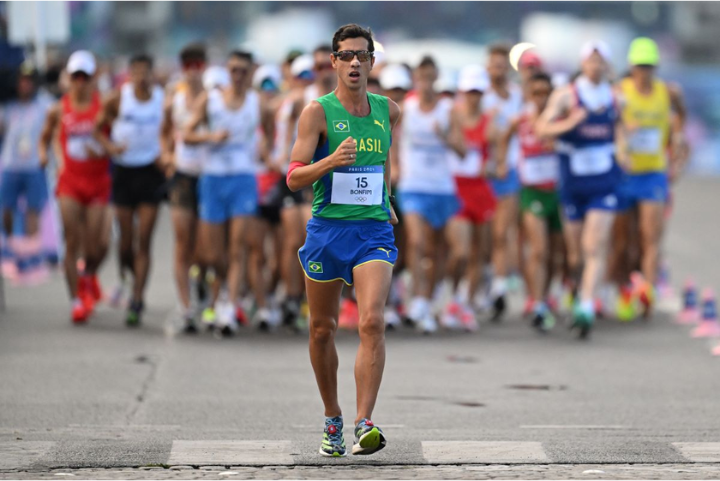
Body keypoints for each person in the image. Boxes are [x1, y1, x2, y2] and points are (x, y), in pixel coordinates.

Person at [286, 24, 400, 457]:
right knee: (322, 329)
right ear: (333, 61)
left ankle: (364, 422)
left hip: (372, 231)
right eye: (347, 55)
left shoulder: (389, 111)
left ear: (372, 61)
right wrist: (330, 160)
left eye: (362, 55)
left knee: (372, 321)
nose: (355, 62)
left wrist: (386, 197)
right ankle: (332, 417)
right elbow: (294, 177)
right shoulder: (317, 113)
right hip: (327, 230)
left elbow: (386, 159)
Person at [536, 41, 624, 338]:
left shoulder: (615, 98)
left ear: (607, 66)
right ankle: (576, 292)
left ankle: (587, 306)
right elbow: (541, 128)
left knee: (594, 246)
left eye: (601, 61)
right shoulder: (566, 96)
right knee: (575, 256)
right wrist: (570, 123)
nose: (596, 66)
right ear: (583, 63)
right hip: (572, 185)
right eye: (591, 60)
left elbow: (622, 131)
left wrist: (623, 149)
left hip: (604, 183)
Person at [184, 50, 269, 335]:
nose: (238, 75)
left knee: (238, 248)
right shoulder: (211, 101)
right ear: (227, 70)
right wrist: (210, 137)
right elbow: (186, 134)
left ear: (250, 74)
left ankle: (229, 306)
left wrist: (266, 152)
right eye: (233, 70)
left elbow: (268, 133)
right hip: (213, 179)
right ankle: (219, 293)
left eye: (244, 71)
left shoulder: (258, 104)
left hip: (243, 179)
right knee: (212, 254)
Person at [613, 37, 688, 318]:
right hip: (624, 175)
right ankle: (623, 289)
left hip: (653, 174)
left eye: (649, 66)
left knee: (650, 237)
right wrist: (621, 134)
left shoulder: (668, 92)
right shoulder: (620, 92)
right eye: (640, 66)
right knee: (622, 243)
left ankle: (646, 290)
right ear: (632, 67)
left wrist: (677, 137)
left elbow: (680, 115)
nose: (645, 71)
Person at [39, 51, 111, 323]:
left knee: (97, 246)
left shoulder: (104, 107)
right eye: (75, 76)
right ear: (68, 78)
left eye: (85, 76)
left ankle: (89, 274)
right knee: (72, 242)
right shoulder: (57, 109)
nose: (80, 81)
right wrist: (45, 155)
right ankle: (76, 301)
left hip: (98, 181)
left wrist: (108, 149)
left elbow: (115, 136)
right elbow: (45, 138)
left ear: (93, 79)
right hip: (69, 181)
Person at [94, 54, 166, 326]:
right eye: (135, 72)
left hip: (150, 172)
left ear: (151, 73)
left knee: (144, 240)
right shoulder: (118, 98)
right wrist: (111, 148)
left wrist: (165, 152)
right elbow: (97, 128)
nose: (140, 77)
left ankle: (137, 299)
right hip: (124, 171)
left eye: (145, 72)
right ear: (129, 74)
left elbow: (171, 129)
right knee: (125, 243)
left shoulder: (161, 99)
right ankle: (126, 275)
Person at [397, 55, 466, 334]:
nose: (425, 83)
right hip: (413, 187)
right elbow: (391, 141)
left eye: (430, 77)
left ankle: (433, 294)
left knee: (456, 252)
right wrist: (396, 167)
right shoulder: (405, 109)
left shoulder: (449, 110)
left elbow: (463, 150)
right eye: (421, 78)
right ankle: (419, 300)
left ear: (436, 79)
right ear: (415, 79)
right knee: (417, 243)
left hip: (443, 189)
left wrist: (445, 138)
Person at [500, 72, 563, 332]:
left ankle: (545, 295)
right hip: (532, 192)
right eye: (536, 93)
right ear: (528, 94)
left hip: (558, 192)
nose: (541, 98)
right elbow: (503, 139)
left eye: (545, 93)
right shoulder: (521, 120)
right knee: (538, 250)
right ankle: (537, 302)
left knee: (558, 256)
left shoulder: (560, 120)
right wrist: (502, 162)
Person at [159, 43, 208, 333]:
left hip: (210, 176)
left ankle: (200, 279)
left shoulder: (215, 95)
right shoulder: (172, 100)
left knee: (204, 247)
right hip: (182, 176)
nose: (192, 71)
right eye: (187, 65)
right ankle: (186, 306)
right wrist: (166, 155)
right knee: (182, 242)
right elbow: (164, 133)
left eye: (197, 65)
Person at [447, 65, 497, 327]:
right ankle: (454, 295)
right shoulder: (452, 117)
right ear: (461, 92)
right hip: (456, 191)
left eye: (477, 92)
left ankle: (466, 301)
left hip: (481, 191)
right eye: (468, 92)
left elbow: (499, 164)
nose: (473, 97)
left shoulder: (490, 123)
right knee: (461, 252)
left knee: (480, 253)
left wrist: (492, 167)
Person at [1, 63, 53, 283]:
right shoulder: (8, 105)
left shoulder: (45, 104)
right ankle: (12, 248)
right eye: (22, 80)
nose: (26, 84)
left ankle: (31, 256)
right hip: (10, 165)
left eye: (29, 80)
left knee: (33, 211)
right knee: (6, 210)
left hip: (34, 166)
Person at [484, 44, 524, 321]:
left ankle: (498, 287)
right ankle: (480, 285)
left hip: (508, 171)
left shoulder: (517, 96)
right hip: (482, 173)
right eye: (493, 65)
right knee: (483, 236)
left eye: (502, 65)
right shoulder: (480, 96)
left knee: (502, 232)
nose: (497, 70)